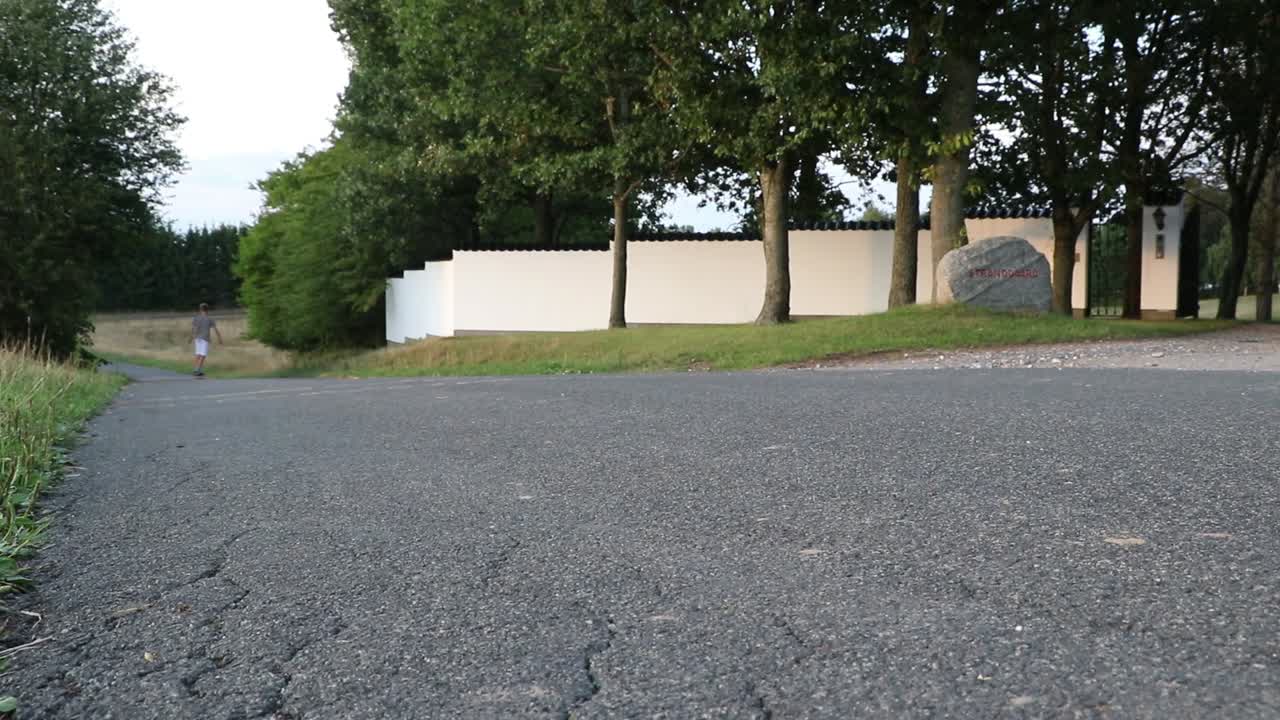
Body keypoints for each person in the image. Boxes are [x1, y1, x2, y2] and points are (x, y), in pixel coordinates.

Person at [191, 303, 223, 376]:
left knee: (198, 354)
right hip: (205, 338)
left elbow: (193, 329)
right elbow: (215, 329)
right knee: (203, 355)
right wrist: (219, 338)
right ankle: (197, 370)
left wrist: (191, 337)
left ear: (200, 309)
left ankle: (197, 369)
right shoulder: (209, 319)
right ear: (207, 310)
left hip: (197, 338)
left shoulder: (196, 318)